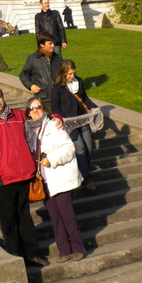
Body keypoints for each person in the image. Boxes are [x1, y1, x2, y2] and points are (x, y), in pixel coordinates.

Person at [0, 85, 49, 267]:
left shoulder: (18, 115)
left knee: (24, 218)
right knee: (8, 221)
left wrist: (59, 119)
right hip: (1, 179)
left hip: (23, 175)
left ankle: (32, 253)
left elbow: (43, 119)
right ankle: (16, 258)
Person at [25, 98, 85, 263]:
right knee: (55, 217)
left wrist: (51, 159)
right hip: (44, 181)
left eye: (38, 106)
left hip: (60, 176)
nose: (35, 110)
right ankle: (64, 250)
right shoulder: (28, 131)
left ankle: (78, 247)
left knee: (67, 215)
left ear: (44, 109)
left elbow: (69, 148)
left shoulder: (53, 125)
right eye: (31, 108)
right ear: (28, 112)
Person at [50, 60, 98, 192]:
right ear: (63, 73)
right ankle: (87, 179)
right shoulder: (56, 88)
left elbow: (85, 98)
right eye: (69, 74)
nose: (72, 76)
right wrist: (61, 119)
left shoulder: (79, 82)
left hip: (82, 120)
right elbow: (55, 108)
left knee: (88, 147)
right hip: (69, 124)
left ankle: (85, 173)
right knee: (80, 148)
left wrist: (94, 108)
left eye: (73, 73)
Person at [19, 32, 61, 114]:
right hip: (44, 98)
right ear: (42, 45)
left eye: (53, 43)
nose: (53, 45)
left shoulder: (57, 58)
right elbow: (23, 75)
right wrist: (31, 86)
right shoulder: (33, 58)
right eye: (50, 43)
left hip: (60, 96)